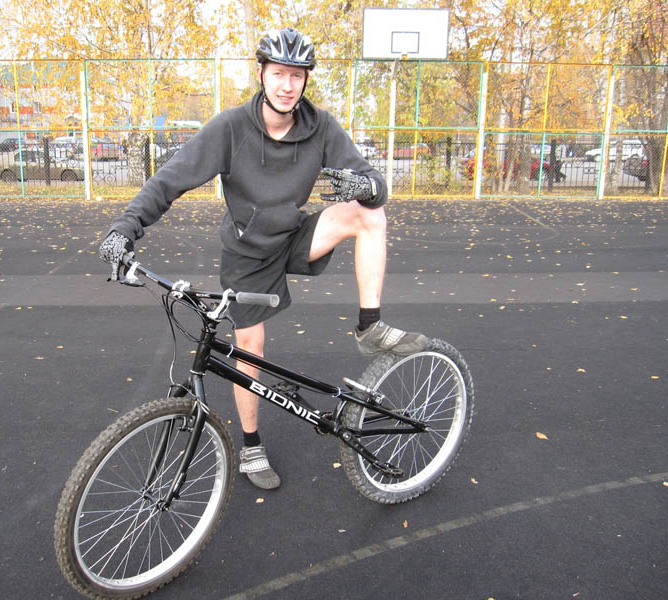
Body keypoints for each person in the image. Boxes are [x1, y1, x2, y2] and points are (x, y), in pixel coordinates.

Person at [99, 28, 427, 490]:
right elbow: (169, 180)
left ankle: (370, 326)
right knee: (249, 347)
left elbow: (376, 182)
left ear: (305, 80)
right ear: (261, 74)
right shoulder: (231, 128)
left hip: (293, 235)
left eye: (296, 76)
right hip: (247, 253)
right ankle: (251, 444)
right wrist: (123, 229)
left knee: (369, 213)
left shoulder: (321, 127)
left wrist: (366, 186)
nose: (287, 85)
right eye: (278, 74)